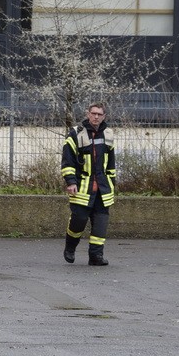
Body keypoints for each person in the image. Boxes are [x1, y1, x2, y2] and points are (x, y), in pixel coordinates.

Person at [61, 102, 116, 266]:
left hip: (103, 188)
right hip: (82, 187)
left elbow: (111, 163)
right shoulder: (75, 135)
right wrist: (70, 182)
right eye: (93, 113)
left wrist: (112, 184)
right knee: (78, 221)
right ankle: (70, 248)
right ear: (88, 114)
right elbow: (67, 161)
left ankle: (96, 256)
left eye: (99, 114)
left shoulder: (108, 135)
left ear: (104, 116)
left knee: (100, 224)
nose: (96, 116)